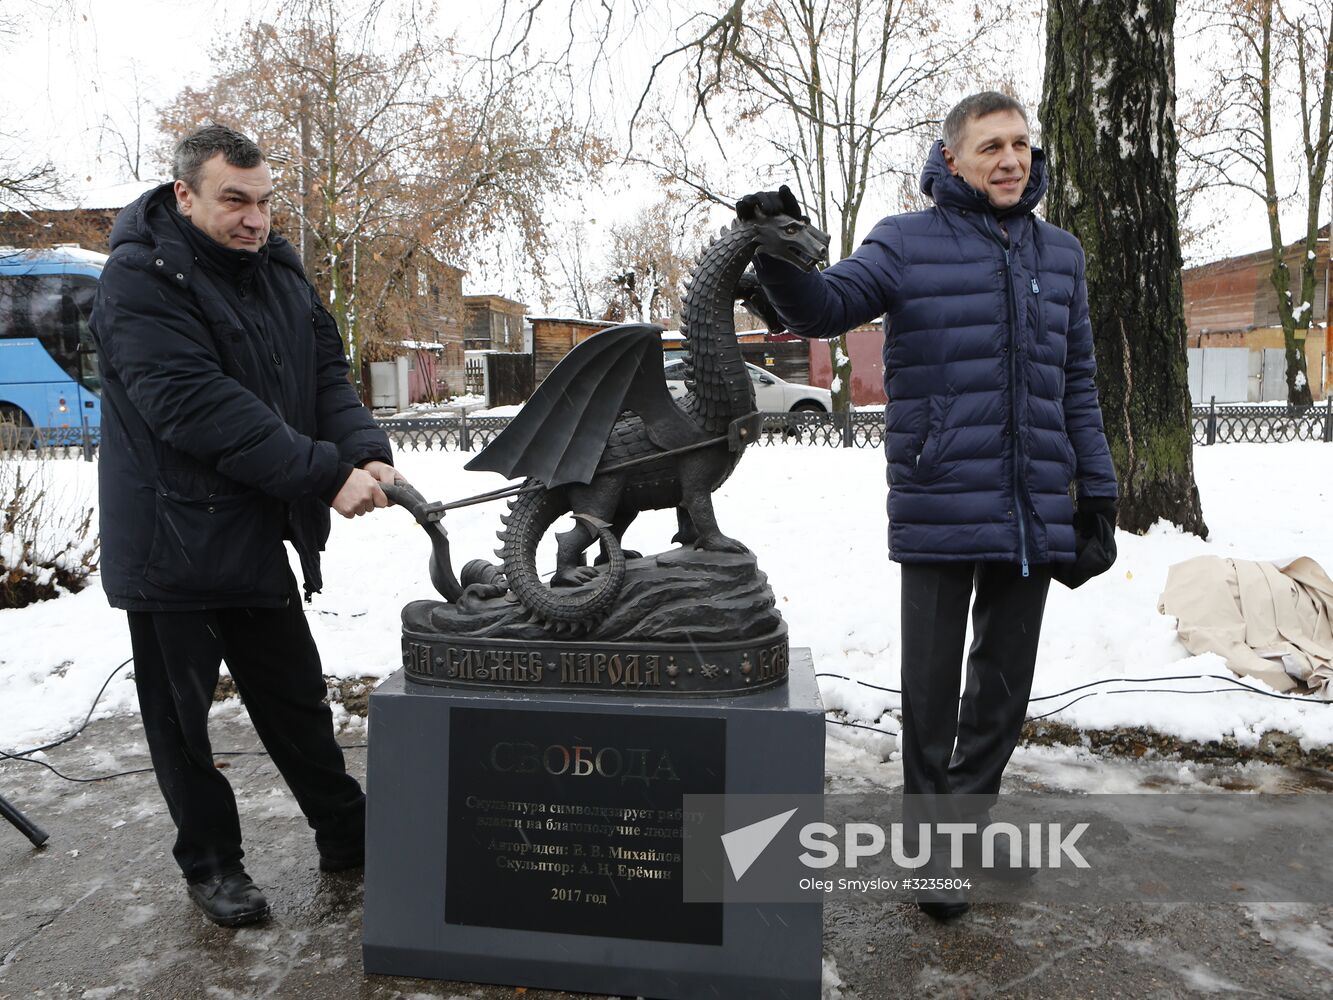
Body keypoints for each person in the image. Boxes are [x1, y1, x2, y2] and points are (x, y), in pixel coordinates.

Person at [739, 92, 1118, 919]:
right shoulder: (904, 242)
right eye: (990, 147)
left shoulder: (1062, 255)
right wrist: (774, 257)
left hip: (1033, 501)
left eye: (1019, 144)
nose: (1010, 160)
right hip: (941, 494)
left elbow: (1077, 382)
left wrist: (1097, 487)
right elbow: (826, 307)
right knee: (932, 693)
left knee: (1002, 693)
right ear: (951, 160)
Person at [91, 124, 398, 927]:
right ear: (184, 194)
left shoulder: (280, 273)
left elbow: (324, 373)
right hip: (170, 540)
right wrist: (324, 475)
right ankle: (212, 864)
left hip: (253, 530)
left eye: (264, 202)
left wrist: (365, 450)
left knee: (293, 695)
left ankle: (347, 833)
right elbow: (193, 404)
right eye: (235, 200)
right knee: (183, 722)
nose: (255, 219)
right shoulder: (138, 280)